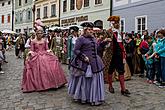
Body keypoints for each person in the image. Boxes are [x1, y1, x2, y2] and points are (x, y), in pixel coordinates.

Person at [21, 24, 67, 92]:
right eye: (38, 33)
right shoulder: (33, 41)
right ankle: (39, 84)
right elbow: (32, 50)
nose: (40, 34)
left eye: (41, 33)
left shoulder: (45, 40)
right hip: (37, 56)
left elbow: (47, 49)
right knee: (38, 66)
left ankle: (53, 82)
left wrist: (50, 52)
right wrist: (30, 54)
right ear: (36, 33)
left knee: (53, 61)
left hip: (44, 54)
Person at [68, 22, 105, 105]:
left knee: (94, 79)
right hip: (85, 63)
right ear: (84, 30)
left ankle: (94, 97)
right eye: (89, 29)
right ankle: (84, 97)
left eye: (92, 29)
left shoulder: (94, 38)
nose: (91, 31)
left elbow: (97, 49)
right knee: (85, 81)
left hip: (95, 62)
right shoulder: (80, 39)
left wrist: (103, 43)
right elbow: (76, 50)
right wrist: (83, 57)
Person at [107, 16, 130, 96]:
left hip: (119, 54)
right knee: (110, 70)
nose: (118, 24)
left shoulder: (120, 32)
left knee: (121, 71)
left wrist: (124, 53)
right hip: (111, 55)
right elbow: (106, 43)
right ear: (112, 23)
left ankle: (123, 89)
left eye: (118, 23)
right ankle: (110, 86)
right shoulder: (109, 32)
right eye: (116, 23)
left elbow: (122, 44)